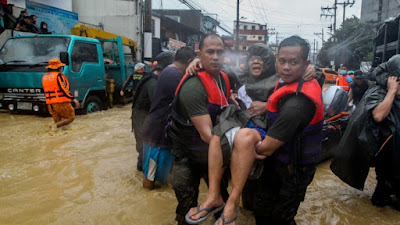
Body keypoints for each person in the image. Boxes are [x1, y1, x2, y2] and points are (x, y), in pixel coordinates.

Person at [167, 34, 231, 225]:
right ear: (199, 54)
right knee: (187, 207)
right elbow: (209, 136)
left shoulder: (224, 78)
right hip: (187, 154)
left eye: (220, 52)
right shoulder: (194, 86)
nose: (215, 56)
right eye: (210, 52)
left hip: (211, 155)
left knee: (221, 199)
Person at [330, 54, 400, 212]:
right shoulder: (379, 92)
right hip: (386, 151)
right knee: (386, 187)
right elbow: (379, 115)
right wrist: (391, 92)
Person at [141, 47, 197, 190]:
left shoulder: (169, 71)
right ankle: (149, 201)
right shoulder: (174, 76)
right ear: (189, 62)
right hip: (157, 133)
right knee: (150, 176)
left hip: (158, 129)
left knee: (160, 172)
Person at [131, 52, 173, 172]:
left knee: (146, 148)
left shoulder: (154, 79)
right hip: (141, 118)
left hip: (145, 117)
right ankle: (146, 176)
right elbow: (158, 104)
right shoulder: (153, 84)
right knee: (145, 148)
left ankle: (144, 172)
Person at [42, 58, 80, 129]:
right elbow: (64, 89)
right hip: (61, 102)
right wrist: (73, 99)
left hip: (50, 104)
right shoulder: (59, 76)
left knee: (58, 122)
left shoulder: (45, 77)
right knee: (70, 117)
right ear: (59, 67)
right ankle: (53, 127)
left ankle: (55, 130)